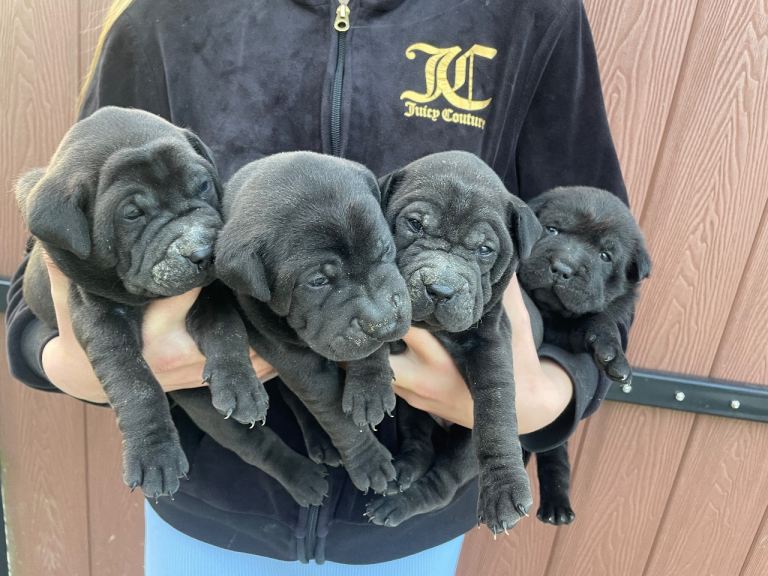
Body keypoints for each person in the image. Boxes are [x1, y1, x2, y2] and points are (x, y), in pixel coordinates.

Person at [5, 0, 630, 573]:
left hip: (419, 508)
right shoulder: (159, 11)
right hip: (211, 506)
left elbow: (604, 237)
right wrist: (61, 360)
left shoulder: (534, 13)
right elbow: (57, 241)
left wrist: (552, 394)